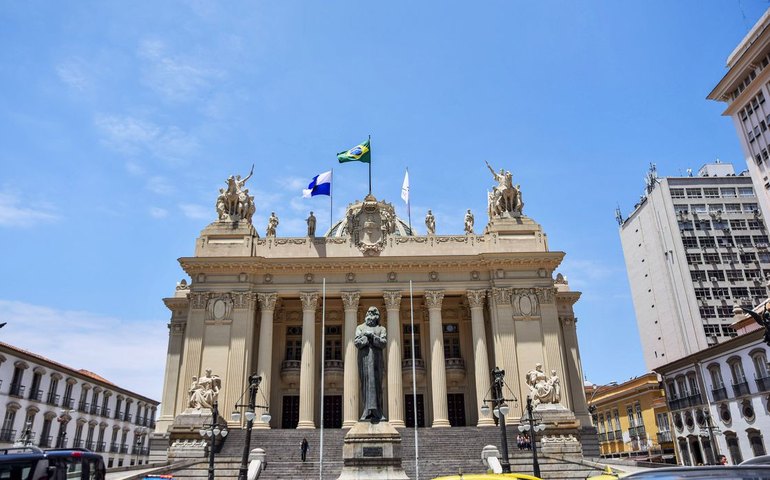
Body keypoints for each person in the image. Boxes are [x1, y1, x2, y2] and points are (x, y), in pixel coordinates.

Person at [355, 306, 388, 421]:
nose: (370, 315)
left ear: (377, 316)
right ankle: (366, 411)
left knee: (377, 386)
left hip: (377, 361)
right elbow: (357, 342)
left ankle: (378, 412)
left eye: (373, 313)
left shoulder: (381, 329)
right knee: (365, 385)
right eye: (369, 312)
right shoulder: (360, 328)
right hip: (364, 360)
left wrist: (373, 337)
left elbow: (383, 343)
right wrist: (365, 337)